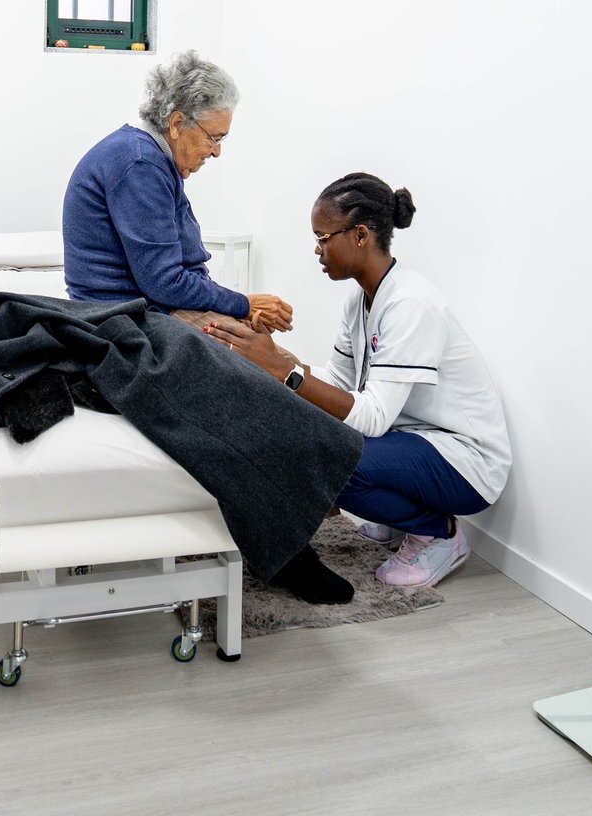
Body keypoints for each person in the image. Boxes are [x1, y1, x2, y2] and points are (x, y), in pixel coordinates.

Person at [206, 173, 511, 589]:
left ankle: (439, 533)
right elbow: (339, 381)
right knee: (312, 432)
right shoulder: (360, 298)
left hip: (467, 461)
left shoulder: (410, 305)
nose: (317, 250)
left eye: (324, 238)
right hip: (418, 439)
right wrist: (274, 359)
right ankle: (398, 515)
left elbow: (373, 418)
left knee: (333, 460)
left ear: (361, 235)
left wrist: (284, 371)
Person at [62, 51, 292, 333]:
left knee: (269, 352)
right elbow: (165, 282)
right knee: (273, 367)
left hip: (149, 310)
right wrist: (243, 304)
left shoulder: (149, 158)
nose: (216, 152)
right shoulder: (140, 164)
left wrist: (238, 307)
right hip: (124, 320)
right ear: (176, 123)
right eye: (214, 138)